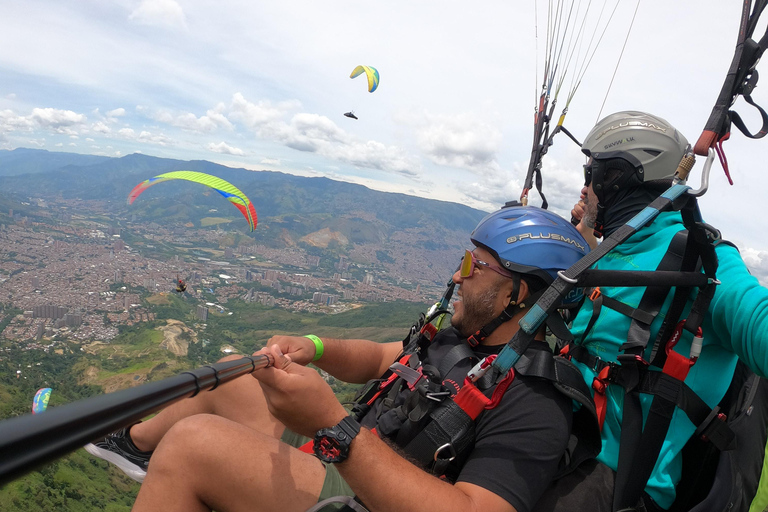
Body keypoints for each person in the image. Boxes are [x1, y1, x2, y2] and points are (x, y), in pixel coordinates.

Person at [85, 206, 592, 512]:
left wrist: (334, 428)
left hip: (367, 497)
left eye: (473, 266)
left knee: (196, 444)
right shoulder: (462, 342)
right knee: (241, 374)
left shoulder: (535, 401)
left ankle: (171, 469)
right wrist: (316, 349)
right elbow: (379, 358)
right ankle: (132, 446)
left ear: (518, 294)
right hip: (353, 459)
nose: (457, 276)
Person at [564, 111, 768, 511]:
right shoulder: (619, 250)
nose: (584, 188)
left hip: (612, 481)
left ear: (618, 179)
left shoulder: (703, 259)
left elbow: (755, 317)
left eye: (592, 175)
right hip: (560, 435)